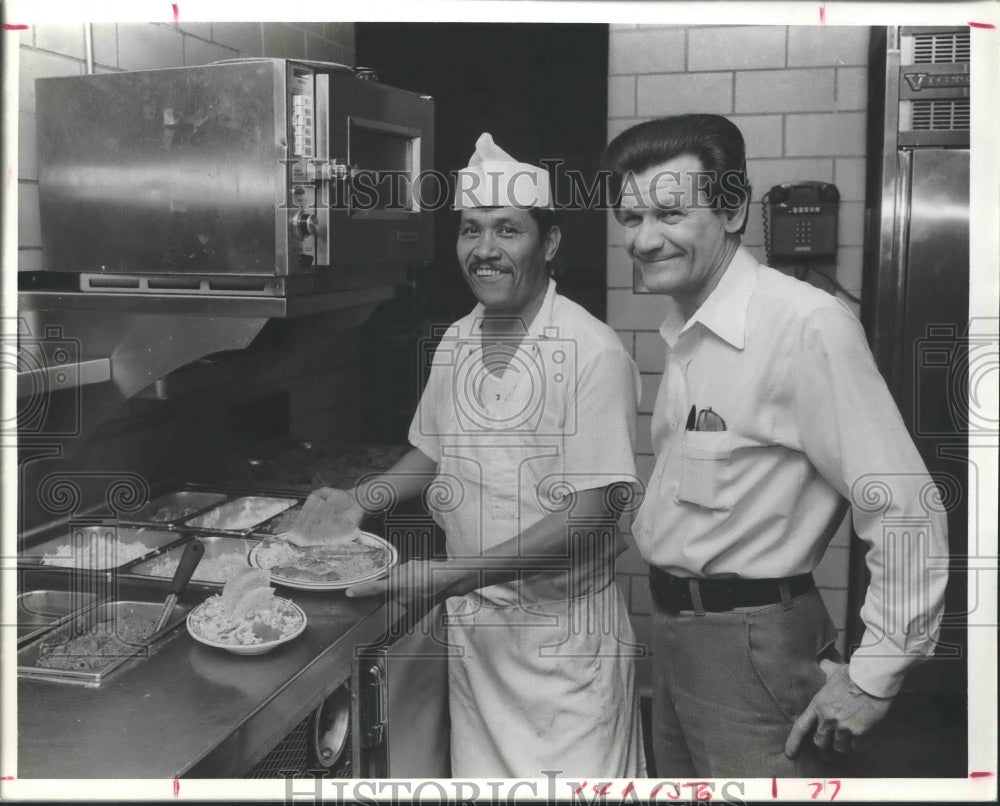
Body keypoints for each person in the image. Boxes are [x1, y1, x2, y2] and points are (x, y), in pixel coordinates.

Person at [601, 114, 948, 778]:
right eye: (631, 217)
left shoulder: (805, 325)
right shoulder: (688, 331)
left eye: (670, 213)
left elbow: (905, 502)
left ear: (732, 209)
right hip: (676, 640)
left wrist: (876, 673)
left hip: (755, 646)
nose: (644, 239)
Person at [305, 133, 647, 778]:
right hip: (475, 633)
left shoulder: (590, 352)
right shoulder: (458, 340)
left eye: (507, 230)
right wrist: (359, 500)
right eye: (470, 230)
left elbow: (592, 513)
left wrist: (454, 572)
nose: (484, 250)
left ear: (548, 244)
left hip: (562, 647)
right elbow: (433, 454)